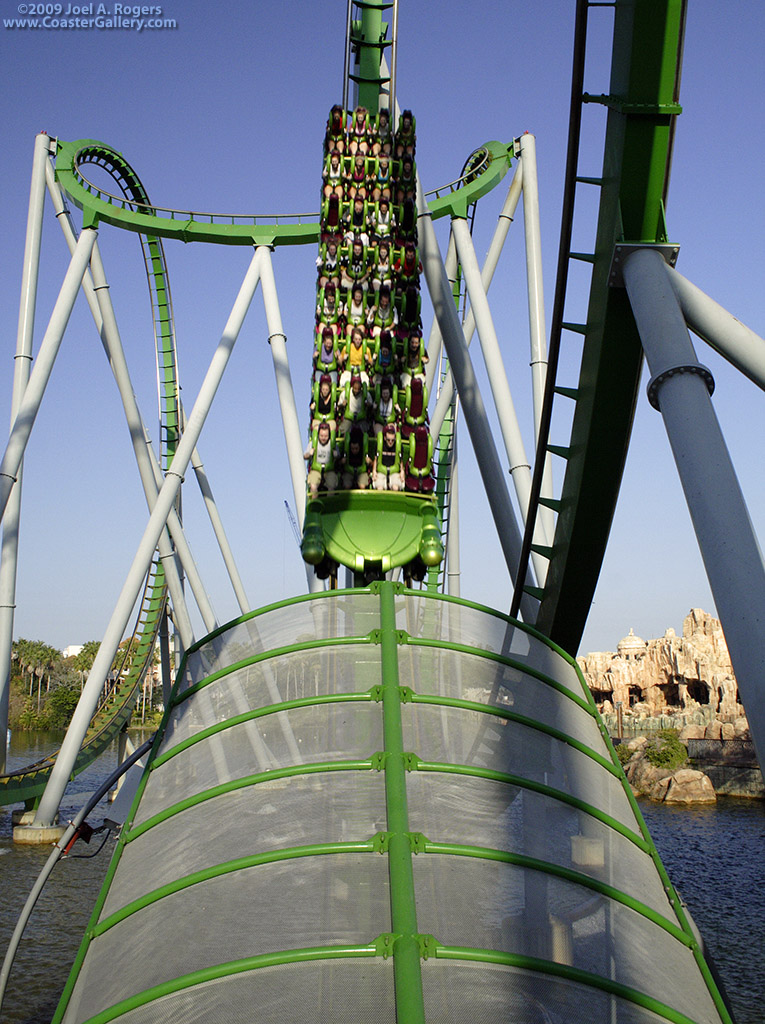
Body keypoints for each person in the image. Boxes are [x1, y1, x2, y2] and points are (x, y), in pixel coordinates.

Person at [304, 421, 338, 499]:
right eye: (321, 436)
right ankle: (314, 503)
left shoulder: (332, 444)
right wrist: (309, 454)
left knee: (332, 485)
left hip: (329, 470)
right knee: (313, 486)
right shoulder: (313, 443)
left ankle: (329, 504)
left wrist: (336, 455)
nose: (323, 438)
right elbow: (304, 456)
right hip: (316, 470)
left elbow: (338, 458)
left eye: (326, 436)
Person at [372, 423, 404, 491]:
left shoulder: (399, 446)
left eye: (392, 440)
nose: (390, 442)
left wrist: (402, 471)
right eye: (388, 440)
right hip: (382, 471)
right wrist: (374, 471)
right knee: (380, 488)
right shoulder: (379, 445)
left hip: (394, 471)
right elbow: (376, 459)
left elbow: (400, 460)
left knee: (395, 488)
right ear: (385, 438)